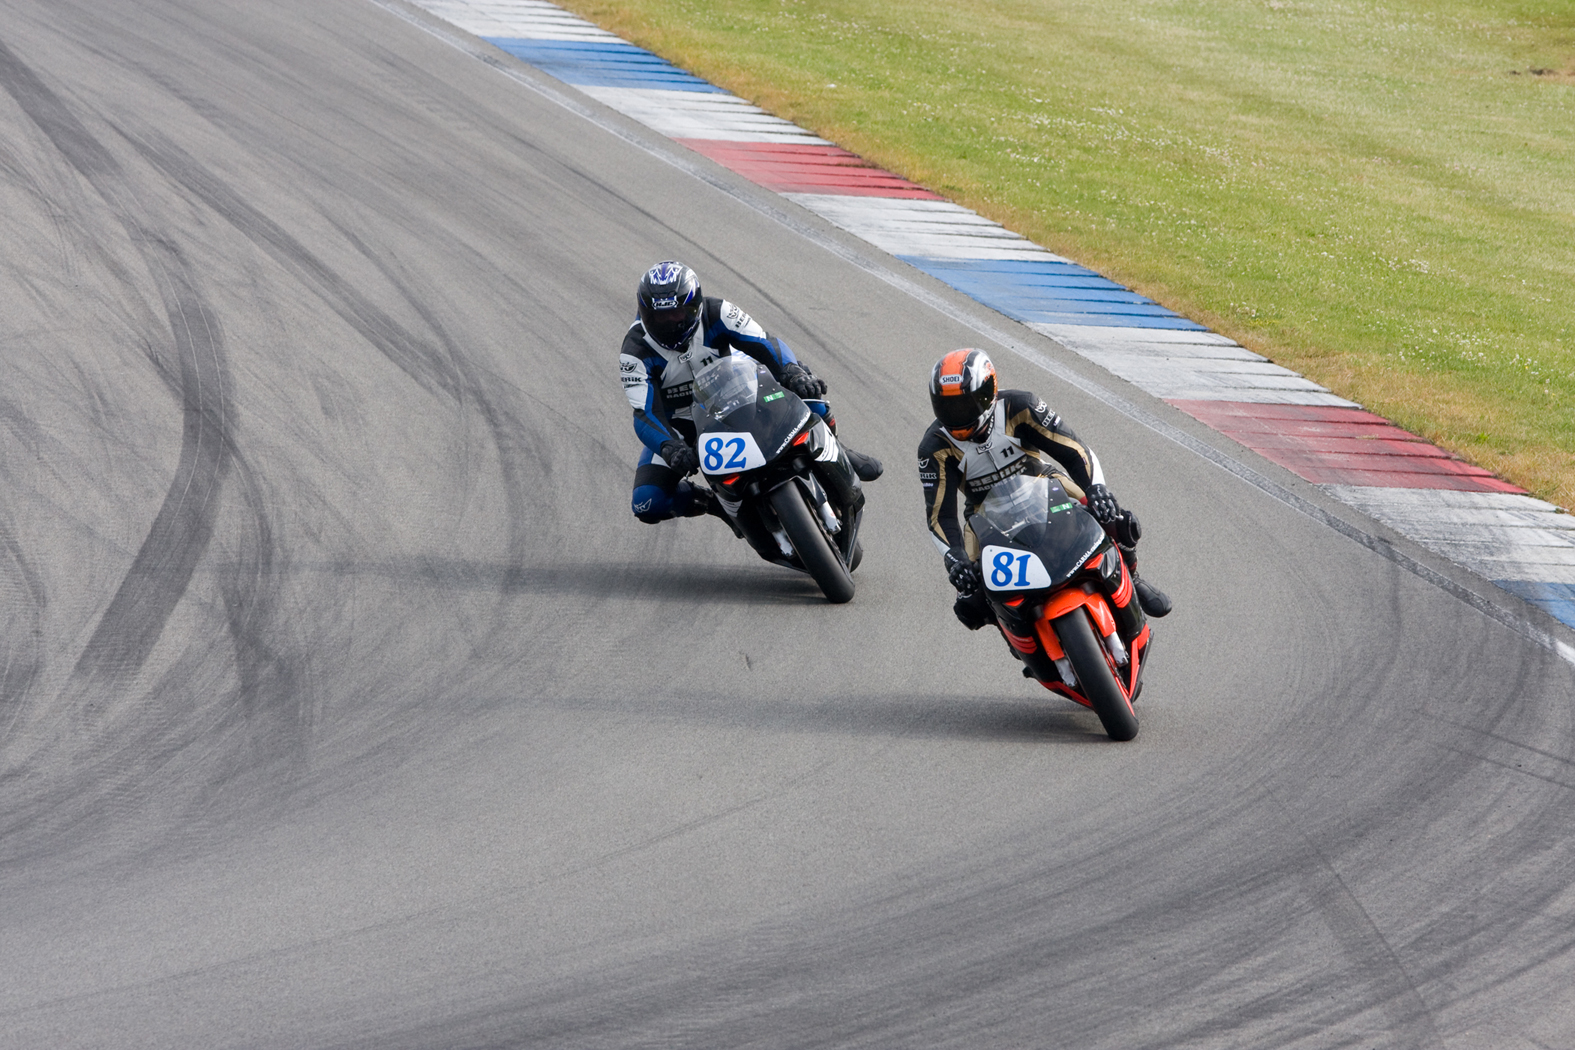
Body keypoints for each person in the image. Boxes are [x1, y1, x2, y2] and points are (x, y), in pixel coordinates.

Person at [918, 348, 1172, 629]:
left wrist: (1097, 489)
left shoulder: (1021, 406)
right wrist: (955, 558)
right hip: (983, 514)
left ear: (987, 393)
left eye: (964, 405)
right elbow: (940, 516)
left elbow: (1076, 451)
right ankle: (1020, 634)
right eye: (948, 407)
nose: (957, 416)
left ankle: (1133, 579)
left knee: (1115, 518)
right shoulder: (934, 448)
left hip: (1045, 485)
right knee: (969, 599)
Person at [621, 261, 882, 524]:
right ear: (644, 313)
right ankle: (717, 505)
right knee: (647, 502)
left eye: (678, 314)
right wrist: (670, 447)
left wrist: (793, 372)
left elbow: (765, 343)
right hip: (683, 426)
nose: (669, 324)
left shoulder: (718, 311)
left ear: (695, 306)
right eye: (659, 317)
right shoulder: (634, 351)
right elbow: (644, 413)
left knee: (802, 381)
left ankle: (838, 449)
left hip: (741, 393)